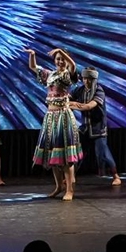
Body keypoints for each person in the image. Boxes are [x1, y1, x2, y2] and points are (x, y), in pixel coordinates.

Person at [24, 47, 82, 201]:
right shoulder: (50, 74)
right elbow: (33, 67)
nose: (60, 61)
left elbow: (73, 65)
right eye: (57, 58)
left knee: (66, 156)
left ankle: (70, 189)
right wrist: (33, 55)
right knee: (52, 155)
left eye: (62, 58)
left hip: (63, 117)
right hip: (50, 117)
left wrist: (61, 51)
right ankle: (58, 186)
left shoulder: (67, 74)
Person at [69, 66, 121, 186]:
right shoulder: (80, 90)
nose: (87, 81)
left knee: (103, 153)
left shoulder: (99, 90)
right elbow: (68, 98)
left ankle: (116, 176)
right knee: (77, 153)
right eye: (85, 78)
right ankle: (71, 177)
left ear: (94, 79)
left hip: (98, 128)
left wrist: (71, 104)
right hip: (85, 128)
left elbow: (89, 106)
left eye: (89, 79)